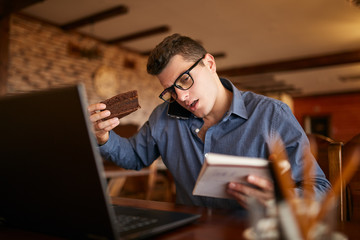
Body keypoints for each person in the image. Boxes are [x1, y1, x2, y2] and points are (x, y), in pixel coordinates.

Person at [88, 33, 331, 209]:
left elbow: (319, 188)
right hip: (190, 231)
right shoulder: (163, 117)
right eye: (171, 90)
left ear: (210, 63)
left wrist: (282, 198)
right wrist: (103, 138)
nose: (180, 96)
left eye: (184, 80)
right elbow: (134, 158)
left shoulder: (271, 115)